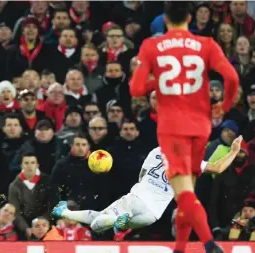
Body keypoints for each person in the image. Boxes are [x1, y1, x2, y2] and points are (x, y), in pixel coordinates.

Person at [129, 2, 239, 253]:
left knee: (184, 193)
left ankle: (209, 243)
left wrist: (159, 79)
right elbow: (232, 77)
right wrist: (225, 104)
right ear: (190, 17)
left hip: (173, 128)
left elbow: (135, 90)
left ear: (165, 19)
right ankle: (179, 247)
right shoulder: (206, 44)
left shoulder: (152, 46)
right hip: (201, 126)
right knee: (184, 192)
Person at [52, 136, 242, 238]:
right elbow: (218, 167)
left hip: (138, 198)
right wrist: (233, 151)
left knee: (97, 224)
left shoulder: (156, 152)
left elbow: (142, 176)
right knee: (108, 218)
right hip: (152, 214)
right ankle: (67, 213)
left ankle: (117, 220)